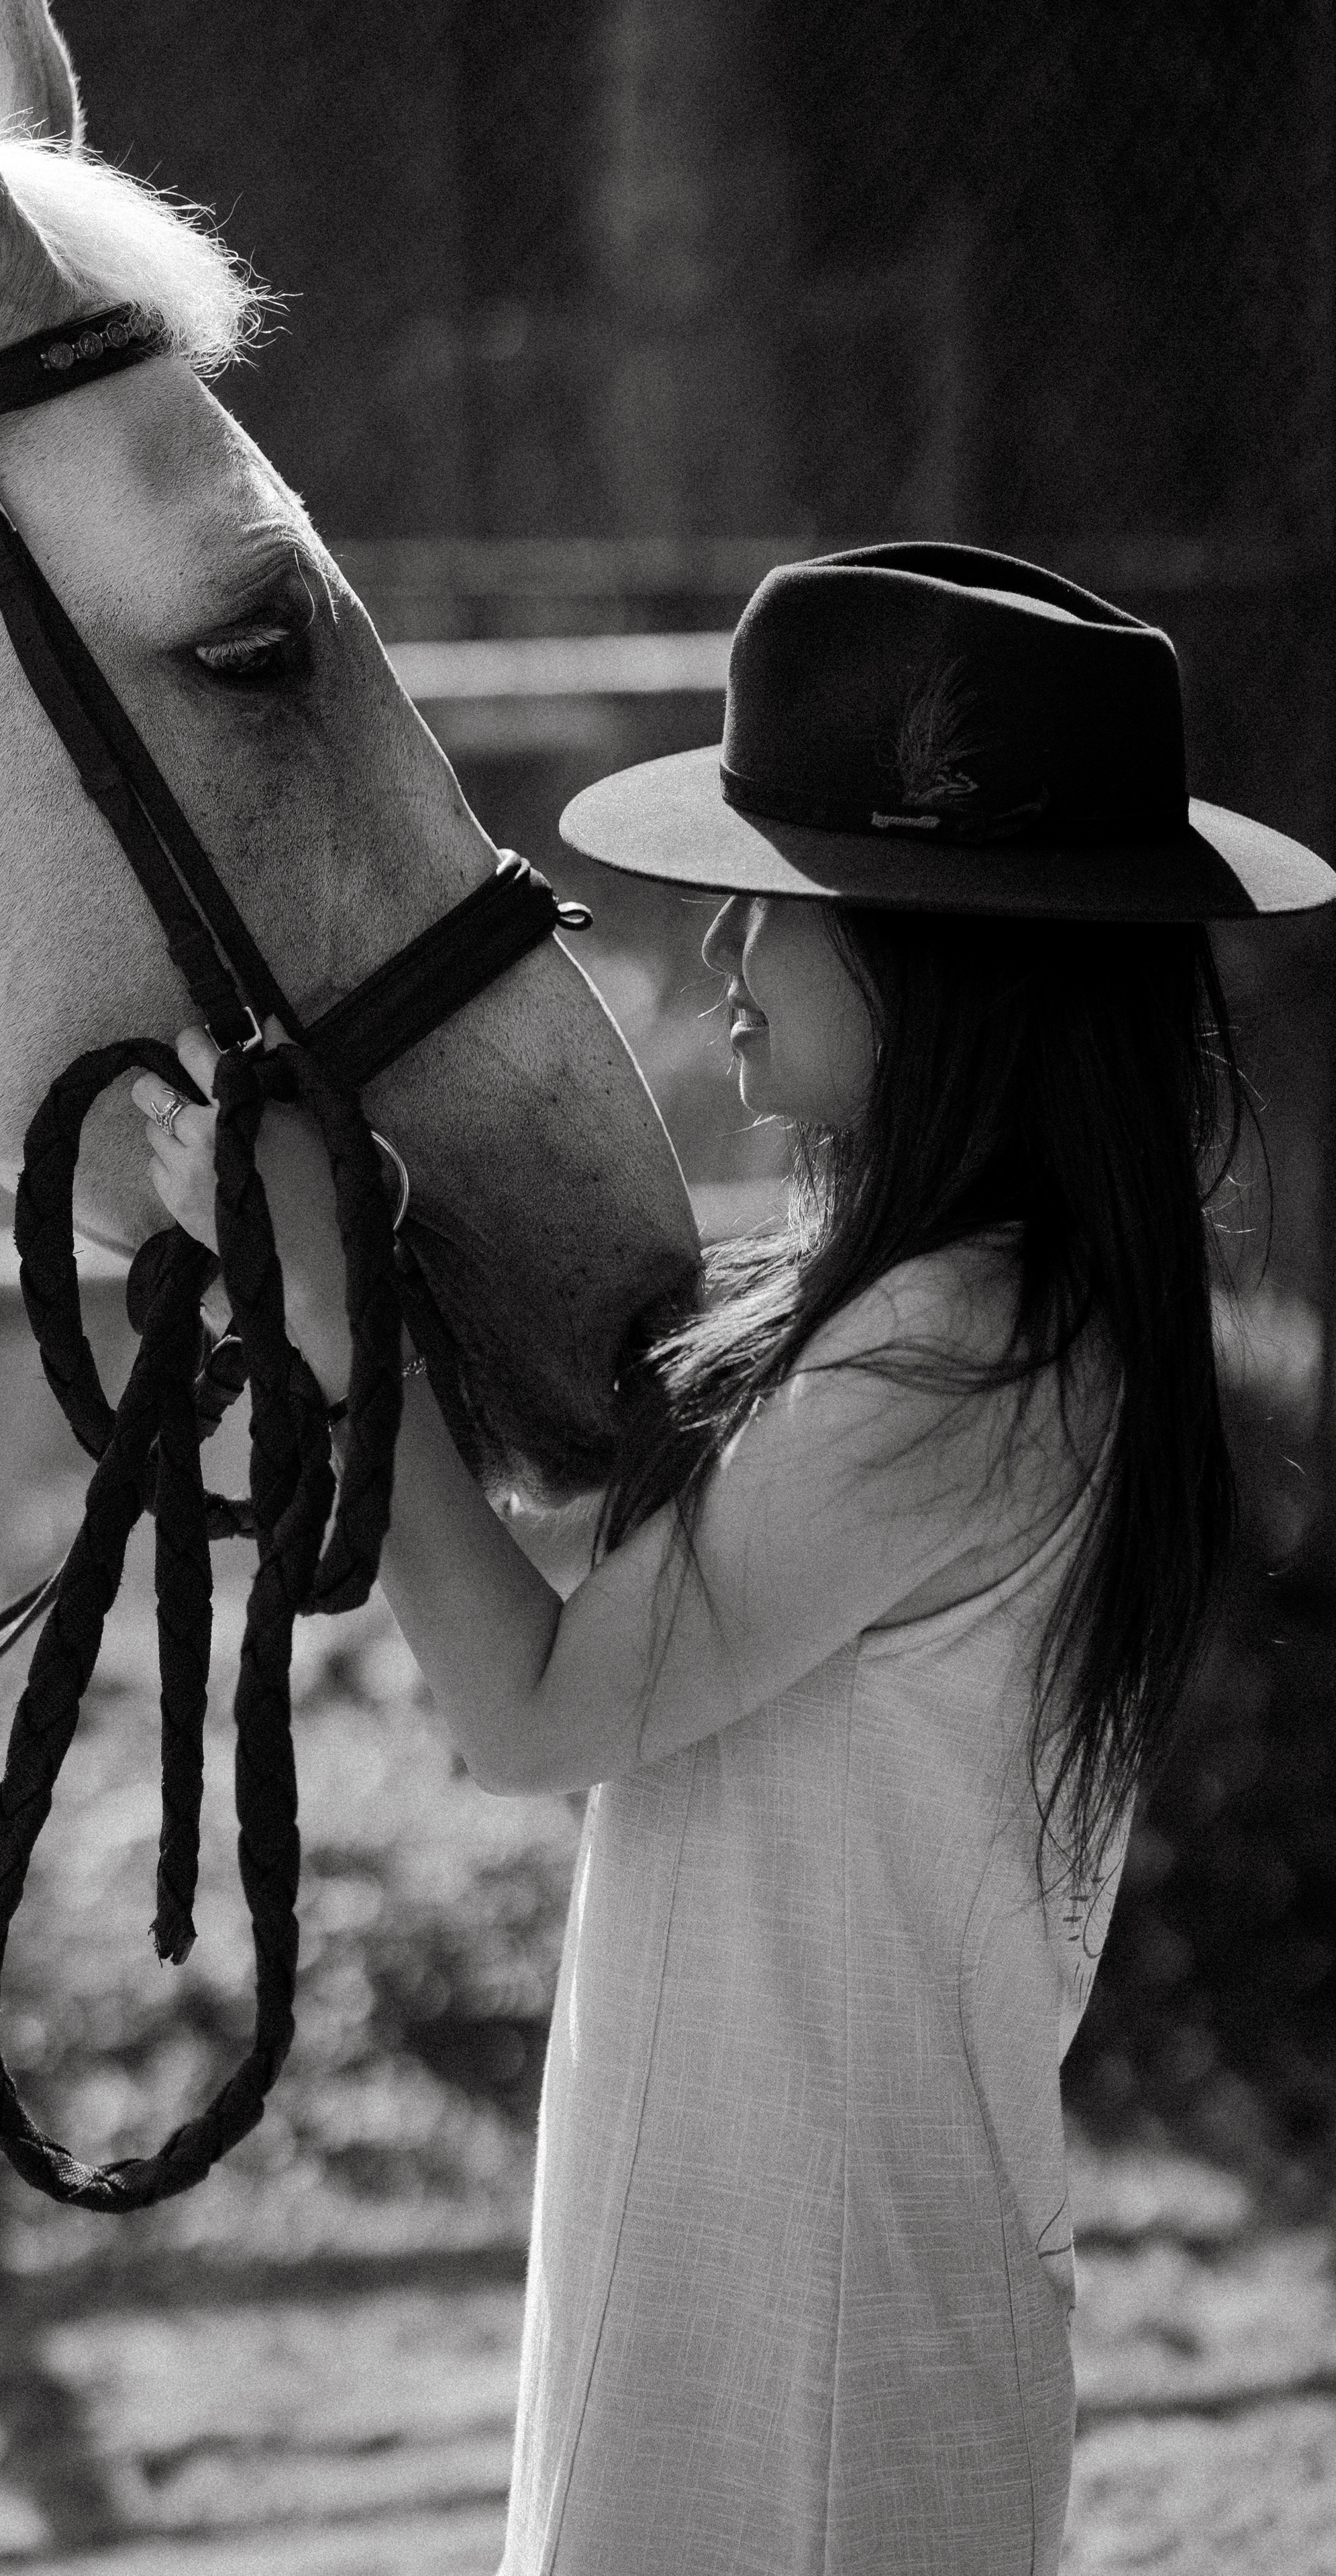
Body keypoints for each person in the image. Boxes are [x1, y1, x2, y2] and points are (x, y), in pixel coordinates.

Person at [132, 544, 1336, 2575]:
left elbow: (535, 1712)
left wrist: (341, 1315)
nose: (726, 952)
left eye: (782, 897)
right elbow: (601, 1595)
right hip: (784, 2276)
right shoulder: (963, 1316)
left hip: (811, 2348)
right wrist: (338, 1298)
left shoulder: (948, 1361)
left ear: (943, 956)